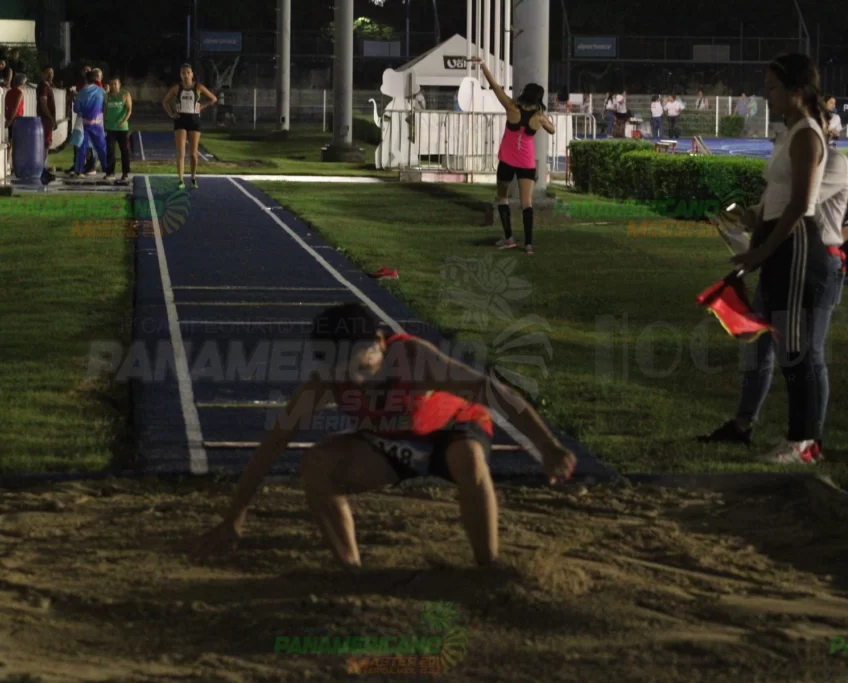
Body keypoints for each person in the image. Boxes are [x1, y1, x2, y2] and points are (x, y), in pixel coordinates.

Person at [189, 303, 577, 568]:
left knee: (467, 457)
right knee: (317, 463)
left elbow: (494, 392)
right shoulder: (328, 379)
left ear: (379, 342)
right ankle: (351, 572)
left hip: (451, 430)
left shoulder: (415, 359)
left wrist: (547, 445)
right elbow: (276, 441)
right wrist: (234, 517)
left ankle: (487, 566)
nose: (355, 381)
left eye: (361, 367)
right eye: (344, 371)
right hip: (393, 444)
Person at [710, 53, 833, 464]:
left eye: (772, 87)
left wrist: (763, 250)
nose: (767, 95)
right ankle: (748, 425)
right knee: (764, 345)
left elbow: (799, 204)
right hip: (781, 246)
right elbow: (778, 198)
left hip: (795, 248)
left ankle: (803, 441)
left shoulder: (806, 134)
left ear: (797, 91)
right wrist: (752, 219)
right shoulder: (791, 132)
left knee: (794, 350)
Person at [698, 144, 848, 459]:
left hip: (816, 264)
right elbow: (769, 208)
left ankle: (810, 439)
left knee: (809, 354)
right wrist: (746, 217)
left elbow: (796, 207)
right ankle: (743, 424)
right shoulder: (793, 164)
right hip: (783, 261)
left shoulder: (834, 162)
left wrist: (761, 223)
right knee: (759, 349)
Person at [472, 56, 555, 256]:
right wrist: (542, 116)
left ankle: (509, 238)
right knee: (527, 202)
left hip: (507, 161)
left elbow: (495, 87)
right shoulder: (538, 117)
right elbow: (552, 130)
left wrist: (483, 65)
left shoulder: (511, 108)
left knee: (502, 197)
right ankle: (528, 245)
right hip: (526, 163)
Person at [162, 63, 216, 190]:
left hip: (194, 120)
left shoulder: (198, 87)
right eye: (183, 73)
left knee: (193, 154)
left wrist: (202, 107)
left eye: (188, 72)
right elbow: (165, 102)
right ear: (180, 75)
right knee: (181, 152)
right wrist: (171, 113)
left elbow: (213, 98)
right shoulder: (177, 88)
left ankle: (193, 178)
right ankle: (180, 180)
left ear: (192, 74)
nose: (186, 75)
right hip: (180, 120)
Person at [70, 70, 107, 178]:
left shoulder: (81, 93)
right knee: (101, 147)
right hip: (98, 123)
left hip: (84, 124)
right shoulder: (101, 91)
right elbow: (105, 105)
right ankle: (108, 169)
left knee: (82, 147)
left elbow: (76, 109)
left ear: (86, 79)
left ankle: (79, 170)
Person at [103, 77, 132, 183]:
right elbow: (105, 109)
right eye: (111, 84)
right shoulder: (107, 96)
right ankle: (110, 173)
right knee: (110, 150)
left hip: (122, 128)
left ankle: (125, 173)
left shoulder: (125, 94)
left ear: (119, 84)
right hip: (110, 127)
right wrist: (104, 122)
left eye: (115, 84)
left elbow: (129, 110)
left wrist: (124, 121)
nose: (113, 86)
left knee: (125, 151)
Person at [3, 73, 25, 172]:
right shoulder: (20, 93)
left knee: (11, 141)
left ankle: (9, 163)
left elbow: (6, 107)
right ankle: (13, 164)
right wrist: (11, 120)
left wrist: (7, 119)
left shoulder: (9, 92)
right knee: (16, 143)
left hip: (9, 118)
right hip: (17, 120)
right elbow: (16, 108)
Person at [37, 67, 57, 169]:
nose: (50, 75)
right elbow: (43, 102)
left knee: (46, 143)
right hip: (45, 119)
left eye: (52, 73)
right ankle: (43, 167)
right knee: (46, 143)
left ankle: (44, 166)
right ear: (43, 74)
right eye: (48, 73)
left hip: (46, 118)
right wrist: (50, 117)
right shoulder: (44, 86)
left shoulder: (47, 86)